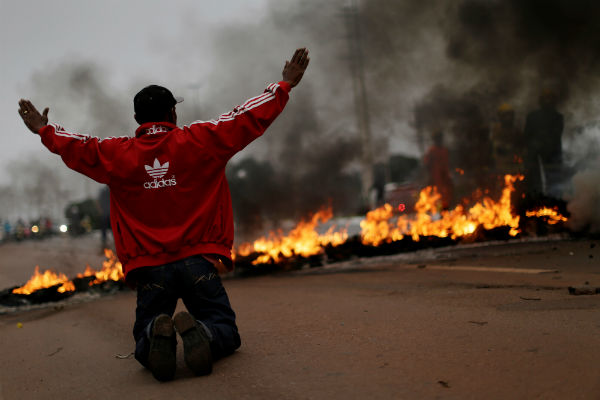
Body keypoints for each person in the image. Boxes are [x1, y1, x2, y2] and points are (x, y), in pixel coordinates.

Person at [18, 48, 310, 381]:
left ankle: (155, 337)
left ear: (138, 119)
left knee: (144, 342)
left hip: (150, 269)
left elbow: (79, 146)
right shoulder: (200, 140)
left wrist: (45, 130)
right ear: (172, 112)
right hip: (199, 262)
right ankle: (206, 334)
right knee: (224, 328)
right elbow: (243, 118)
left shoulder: (116, 154)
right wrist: (283, 85)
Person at [523, 88, 564, 197]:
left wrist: (543, 144)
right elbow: (527, 135)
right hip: (534, 154)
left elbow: (556, 135)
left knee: (554, 182)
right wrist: (533, 146)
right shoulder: (532, 116)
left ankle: (555, 203)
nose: (548, 101)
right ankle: (536, 201)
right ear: (541, 100)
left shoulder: (558, 117)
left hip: (552, 154)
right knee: (535, 181)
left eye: (550, 99)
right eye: (546, 98)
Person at [423, 130, 453, 210]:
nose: (439, 140)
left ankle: (447, 210)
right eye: (437, 139)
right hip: (437, 178)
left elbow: (448, 164)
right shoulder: (432, 151)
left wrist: (448, 176)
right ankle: (440, 211)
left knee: (447, 195)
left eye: (440, 138)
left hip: (445, 178)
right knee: (438, 196)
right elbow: (427, 164)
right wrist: (430, 176)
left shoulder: (445, 150)